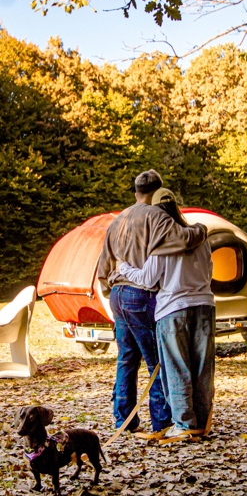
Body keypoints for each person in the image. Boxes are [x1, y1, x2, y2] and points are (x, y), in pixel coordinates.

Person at [97, 170, 207, 436]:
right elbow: (182, 240)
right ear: (159, 190)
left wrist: (108, 285)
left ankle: (124, 421)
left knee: (126, 359)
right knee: (157, 360)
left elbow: (103, 264)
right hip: (142, 293)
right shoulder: (156, 216)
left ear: (135, 191)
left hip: (118, 295)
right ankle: (162, 422)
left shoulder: (118, 219)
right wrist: (201, 229)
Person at [119, 188, 215, 444]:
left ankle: (184, 424)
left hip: (173, 308)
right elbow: (209, 271)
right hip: (205, 305)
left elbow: (149, 280)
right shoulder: (201, 236)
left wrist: (124, 268)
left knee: (176, 368)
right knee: (202, 368)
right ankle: (202, 423)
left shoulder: (162, 242)